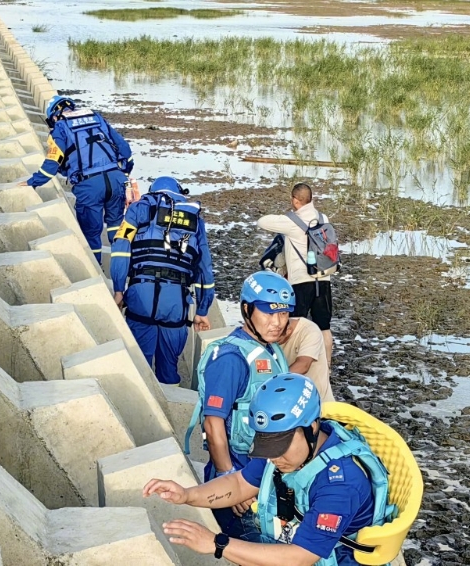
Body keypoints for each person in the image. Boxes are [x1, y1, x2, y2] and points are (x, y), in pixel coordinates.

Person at [147, 373, 379, 566]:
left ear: (312, 428)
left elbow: (300, 557)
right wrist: (188, 495)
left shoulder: (340, 484)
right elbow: (240, 484)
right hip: (295, 536)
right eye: (267, 445)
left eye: (281, 446)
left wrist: (217, 544)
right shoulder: (283, 451)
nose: (274, 457)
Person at [185, 271, 293, 536]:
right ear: (246, 309)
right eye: (268, 313)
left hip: (267, 477)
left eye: (283, 314)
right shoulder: (231, 359)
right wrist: (228, 478)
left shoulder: (272, 350)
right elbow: (213, 425)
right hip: (239, 479)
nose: (277, 322)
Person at [110, 176, 214, 385]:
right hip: (176, 302)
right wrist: (202, 310)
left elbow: (121, 248)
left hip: (141, 296)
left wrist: (119, 289)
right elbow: (204, 268)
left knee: (140, 364)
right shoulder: (194, 220)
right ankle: (171, 406)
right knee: (169, 365)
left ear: (152, 191)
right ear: (179, 192)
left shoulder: (138, 209)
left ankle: (143, 409)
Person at [19, 95, 134, 263]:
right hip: (116, 178)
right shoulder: (96, 117)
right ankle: (123, 268)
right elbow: (125, 150)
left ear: (54, 115)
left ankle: (97, 268)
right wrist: (124, 174)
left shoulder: (60, 127)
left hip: (89, 185)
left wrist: (33, 182)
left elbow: (53, 162)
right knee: (116, 226)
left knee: (91, 233)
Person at [258, 182, 334, 363]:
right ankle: (327, 366)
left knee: (292, 324)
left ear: (294, 200)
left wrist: (284, 216)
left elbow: (262, 222)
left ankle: (289, 363)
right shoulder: (324, 218)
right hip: (324, 279)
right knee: (324, 327)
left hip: (301, 282)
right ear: (311, 199)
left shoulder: (291, 222)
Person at [279, 317, 335, 403]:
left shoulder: (309, 331)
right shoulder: (266, 332)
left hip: (319, 403)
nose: (271, 342)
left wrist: (270, 383)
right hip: (289, 402)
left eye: (277, 340)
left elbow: (303, 365)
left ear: (289, 330)